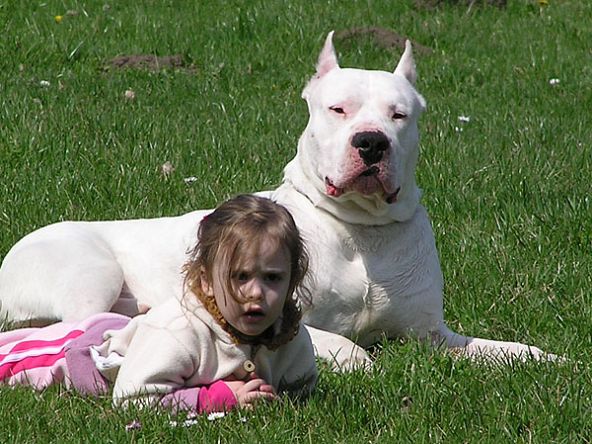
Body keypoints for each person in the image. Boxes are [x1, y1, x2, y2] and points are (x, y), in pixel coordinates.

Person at [0, 195, 317, 414]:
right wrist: (214, 399)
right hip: (86, 355)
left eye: (273, 278)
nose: (256, 292)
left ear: (292, 279)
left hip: (138, 338)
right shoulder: (179, 331)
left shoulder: (289, 336)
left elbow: (299, 388)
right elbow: (131, 399)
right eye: (240, 276)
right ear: (206, 280)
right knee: (13, 355)